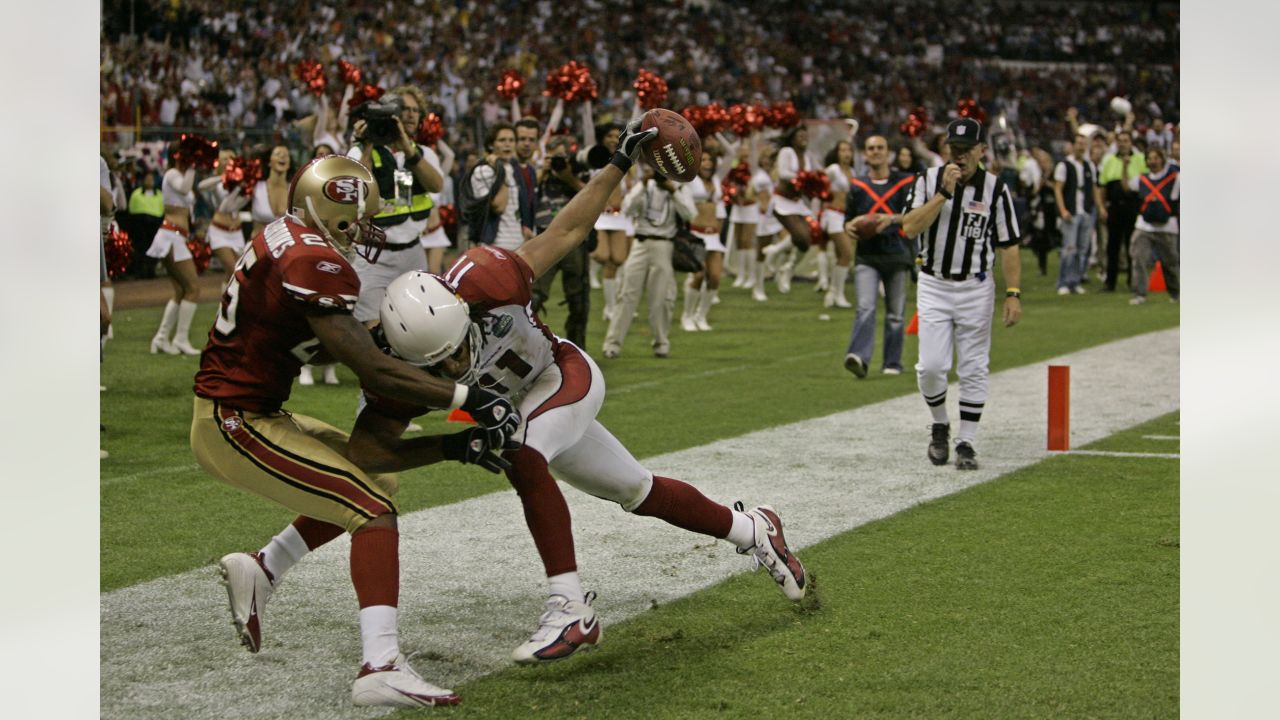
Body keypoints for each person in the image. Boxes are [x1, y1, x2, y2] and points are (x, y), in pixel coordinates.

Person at [368, 119, 806, 664]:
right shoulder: (400, 361)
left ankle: (570, 606)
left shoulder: (488, 278)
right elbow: (369, 454)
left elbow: (568, 232)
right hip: (526, 407)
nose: (456, 364)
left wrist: (619, 162)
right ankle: (754, 530)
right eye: (441, 363)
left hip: (560, 375)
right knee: (639, 491)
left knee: (522, 453)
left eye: (457, 347)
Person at [191, 155, 521, 709]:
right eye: (357, 215)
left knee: (373, 480)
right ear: (329, 209)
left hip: (252, 410)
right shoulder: (314, 261)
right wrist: (467, 399)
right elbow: (369, 368)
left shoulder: (289, 233)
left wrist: (453, 442)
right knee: (370, 510)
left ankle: (264, 568)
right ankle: (380, 665)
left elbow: (367, 433)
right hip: (235, 420)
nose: (367, 228)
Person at [901, 118, 1022, 471]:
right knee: (932, 366)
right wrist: (943, 194)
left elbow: (1009, 245)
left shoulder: (996, 190)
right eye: (955, 151)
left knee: (973, 366)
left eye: (967, 151)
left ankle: (966, 440)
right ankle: (939, 423)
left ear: (982, 151)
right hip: (934, 283)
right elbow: (909, 228)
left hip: (975, 286)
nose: (960, 158)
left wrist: (1013, 292)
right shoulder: (927, 180)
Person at [602, 163, 695, 358]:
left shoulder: (679, 187)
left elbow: (690, 214)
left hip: (664, 244)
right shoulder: (645, 186)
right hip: (641, 242)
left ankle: (661, 343)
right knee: (627, 294)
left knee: (662, 298)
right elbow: (627, 208)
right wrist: (643, 184)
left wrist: (673, 190)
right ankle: (613, 344)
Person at [842, 134, 916, 378]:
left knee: (895, 313)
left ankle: (892, 362)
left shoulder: (904, 183)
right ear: (864, 154)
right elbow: (847, 219)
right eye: (870, 148)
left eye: (880, 148)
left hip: (897, 254)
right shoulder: (857, 185)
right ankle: (859, 359)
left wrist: (891, 219)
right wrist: (850, 227)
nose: (875, 152)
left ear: (888, 153)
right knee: (865, 307)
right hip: (867, 256)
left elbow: (915, 217)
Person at [144, 142, 204, 355]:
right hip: (171, 236)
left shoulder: (181, 175)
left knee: (181, 290)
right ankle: (180, 338)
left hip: (177, 237)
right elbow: (185, 188)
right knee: (193, 288)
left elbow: (192, 190)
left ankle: (161, 338)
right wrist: (193, 166)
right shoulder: (171, 174)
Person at [530, 133, 590, 347]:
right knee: (535, 293)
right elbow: (527, 195)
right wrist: (543, 171)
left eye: (563, 157)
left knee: (578, 296)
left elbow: (592, 195)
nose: (558, 161)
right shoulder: (537, 172)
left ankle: (578, 346)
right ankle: (528, 342)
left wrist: (568, 177)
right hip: (545, 236)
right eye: (554, 157)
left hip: (573, 237)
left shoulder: (578, 169)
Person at [1052, 134, 1105, 295]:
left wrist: (1100, 207)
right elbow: (1058, 189)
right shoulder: (1065, 165)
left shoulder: (1089, 165)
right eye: (1078, 143)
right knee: (1069, 248)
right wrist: (1062, 210)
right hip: (1072, 211)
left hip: (1086, 211)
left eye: (1084, 144)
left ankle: (1074, 281)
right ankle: (1063, 282)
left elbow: (1095, 188)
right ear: (1073, 145)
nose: (1081, 147)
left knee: (1082, 249)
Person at [468, 122, 533, 251]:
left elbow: (521, 204)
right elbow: (499, 206)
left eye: (511, 140)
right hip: (495, 244)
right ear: (491, 145)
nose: (507, 144)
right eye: (502, 140)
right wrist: (500, 172)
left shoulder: (514, 168)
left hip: (518, 243)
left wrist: (525, 226)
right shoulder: (483, 171)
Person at [1127, 146, 1179, 305]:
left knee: (1170, 263)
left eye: (1156, 158)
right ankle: (1139, 293)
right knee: (1138, 258)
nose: (1153, 161)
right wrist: (1124, 167)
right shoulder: (1141, 179)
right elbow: (1127, 186)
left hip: (1167, 226)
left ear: (1162, 160)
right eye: (1150, 159)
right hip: (1144, 225)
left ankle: (1176, 293)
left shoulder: (1175, 177)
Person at [1098, 130, 1148, 292]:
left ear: (1131, 143)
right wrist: (1102, 207)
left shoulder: (1140, 160)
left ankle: (1132, 280)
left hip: (1133, 207)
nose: (1123, 144)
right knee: (1112, 246)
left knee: (1132, 246)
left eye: (1126, 140)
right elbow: (1103, 186)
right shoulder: (1109, 161)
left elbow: (1146, 185)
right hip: (1114, 207)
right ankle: (1110, 282)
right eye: (1120, 141)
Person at [680, 152, 725, 332]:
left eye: (710, 160)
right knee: (697, 275)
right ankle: (687, 315)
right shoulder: (690, 180)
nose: (707, 164)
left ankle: (701, 316)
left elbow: (720, 208)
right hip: (696, 234)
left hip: (713, 235)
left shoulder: (716, 182)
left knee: (714, 277)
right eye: (703, 160)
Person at [197, 148, 251, 285]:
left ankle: (224, 305)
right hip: (219, 231)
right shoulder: (218, 183)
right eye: (224, 158)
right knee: (235, 272)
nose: (228, 161)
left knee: (235, 274)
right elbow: (201, 187)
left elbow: (239, 204)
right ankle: (229, 305)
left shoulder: (241, 180)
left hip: (237, 232)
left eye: (231, 158)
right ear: (218, 162)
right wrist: (222, 177)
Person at [821, 139, 857, 308]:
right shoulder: (834, 170)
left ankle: (833, 293)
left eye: (848, 150)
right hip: (832, 214)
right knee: (847, 253)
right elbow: (818, 182)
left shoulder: (853, 172)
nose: (846, 153)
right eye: (842, 150)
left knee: (841, 256)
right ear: (837, 153)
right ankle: (838, 293)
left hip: (846, 216)